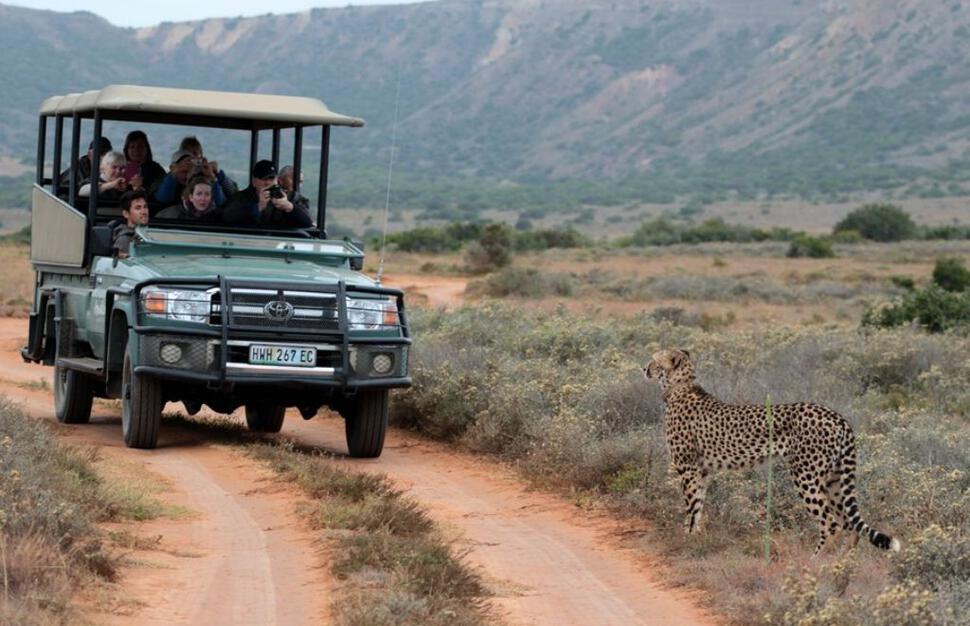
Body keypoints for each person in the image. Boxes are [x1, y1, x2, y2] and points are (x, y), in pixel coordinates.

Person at [222, 160, 312, 228]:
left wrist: (289, 207)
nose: (268, 183)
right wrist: (257, 208)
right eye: (263, 179)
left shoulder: (291, 197)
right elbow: (225, 218)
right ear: (254, 181)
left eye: (271, 178)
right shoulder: (240, 198)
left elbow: (307, 223)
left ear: (277, 180)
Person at [152, 149, 227, 208]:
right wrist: (173, 175)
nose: (187, 176)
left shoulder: (200, 182)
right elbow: (163, 199)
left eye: (190, 171)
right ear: (173, 168)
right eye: (184, 172)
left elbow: (220, 202)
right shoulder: (168, 182)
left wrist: (213, 176)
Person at [156, 175, 223, 223]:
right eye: (199, 194)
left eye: (207, 194)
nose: (203, 198)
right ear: (191, 197)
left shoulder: (219, 217)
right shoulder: (170, 215)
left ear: (211, 197)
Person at [113, 190, 150, 257]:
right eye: (138, 208)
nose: (144, 212)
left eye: (145, 207)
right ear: (126, 214)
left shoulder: (154, 235)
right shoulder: (124, 239)